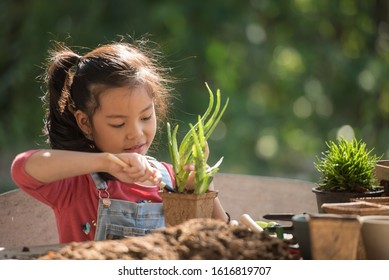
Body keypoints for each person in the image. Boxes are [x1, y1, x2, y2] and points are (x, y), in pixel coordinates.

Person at [11, 38, 229, 244]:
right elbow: (22, 167)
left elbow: (223, 237)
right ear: (85, 123)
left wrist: (201, 189)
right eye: (118, 124)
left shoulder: (174, 181)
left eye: (145, 117)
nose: (136, 134)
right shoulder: (75, 183)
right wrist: (106, 162)